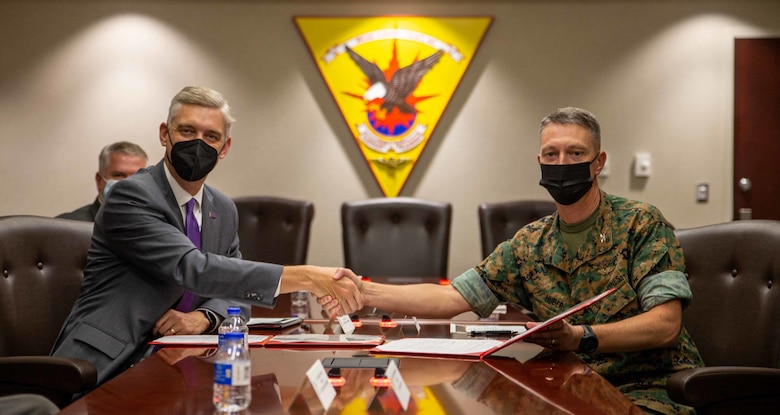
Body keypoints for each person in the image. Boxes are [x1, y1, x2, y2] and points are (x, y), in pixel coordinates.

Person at [321, 107, 704, 414]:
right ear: (539, 161)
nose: (561, 163)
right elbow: (451, 298)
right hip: (567, 386)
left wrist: (581, 337)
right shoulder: (529, 243)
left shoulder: (640, 222)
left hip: (649, 389)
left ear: (598, 162)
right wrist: (361, 288)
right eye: (551, 154)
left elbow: (665, 324)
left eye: (575, 154)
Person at [51, 86, 362, 389]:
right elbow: (194, 267)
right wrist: (308, 276)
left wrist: (203, 317)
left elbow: (234, 291)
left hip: (178, 361)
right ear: (164, 134)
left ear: (224, 148)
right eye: (187, 131)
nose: (198, 143)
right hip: (107, 365)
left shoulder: (223, 208)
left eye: (211, 136)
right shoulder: (130, 195)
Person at [56, 141, 148, 221]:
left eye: (137, 176)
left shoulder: (157, 226)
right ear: (99, 180)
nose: (129, 184)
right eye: (119, 175)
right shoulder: (66, 226)